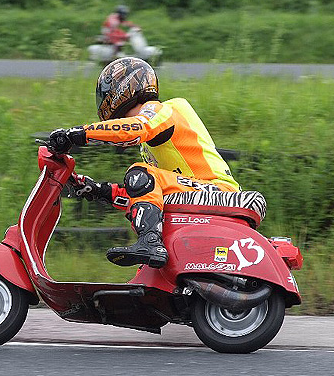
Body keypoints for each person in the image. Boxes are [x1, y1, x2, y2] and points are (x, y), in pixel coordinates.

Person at [47, 57, 240, 269]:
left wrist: (79, 134)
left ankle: (150, 242)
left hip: (220, 192)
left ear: (124, 87)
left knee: (139, 173)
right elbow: (147, 197)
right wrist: (100, 190)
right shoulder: (150, 144)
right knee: (146, 272)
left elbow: (137, 128)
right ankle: (152, 247)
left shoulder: (164, 109)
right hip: (198, 193)